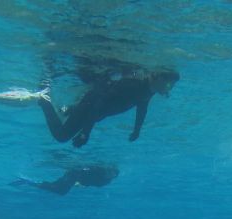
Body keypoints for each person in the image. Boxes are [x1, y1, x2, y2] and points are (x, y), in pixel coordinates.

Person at [38, 69, 179, 148]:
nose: (170, 89)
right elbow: (97, 103)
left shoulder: (149, 89)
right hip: (91, 107)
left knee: (72, 113)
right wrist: (85, 133)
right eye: (168, 85)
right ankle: (44, 99)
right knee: (62, 136)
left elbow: (142, 107)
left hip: (96, 112)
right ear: (159, 78)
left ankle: (68, 109)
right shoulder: (135, 85)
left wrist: (137, 130)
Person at [11, 165, 119, 196]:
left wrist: (80, 184)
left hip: (74, 178)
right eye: (110, 171)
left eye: (112, 174)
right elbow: (87, 169)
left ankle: (28, 182)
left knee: (57, 188)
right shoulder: (99, 170)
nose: (109, 174)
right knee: (60, 190)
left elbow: (90, 182)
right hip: (73, 175)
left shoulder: (105, 181)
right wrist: (75, 170)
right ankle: (29, 182)